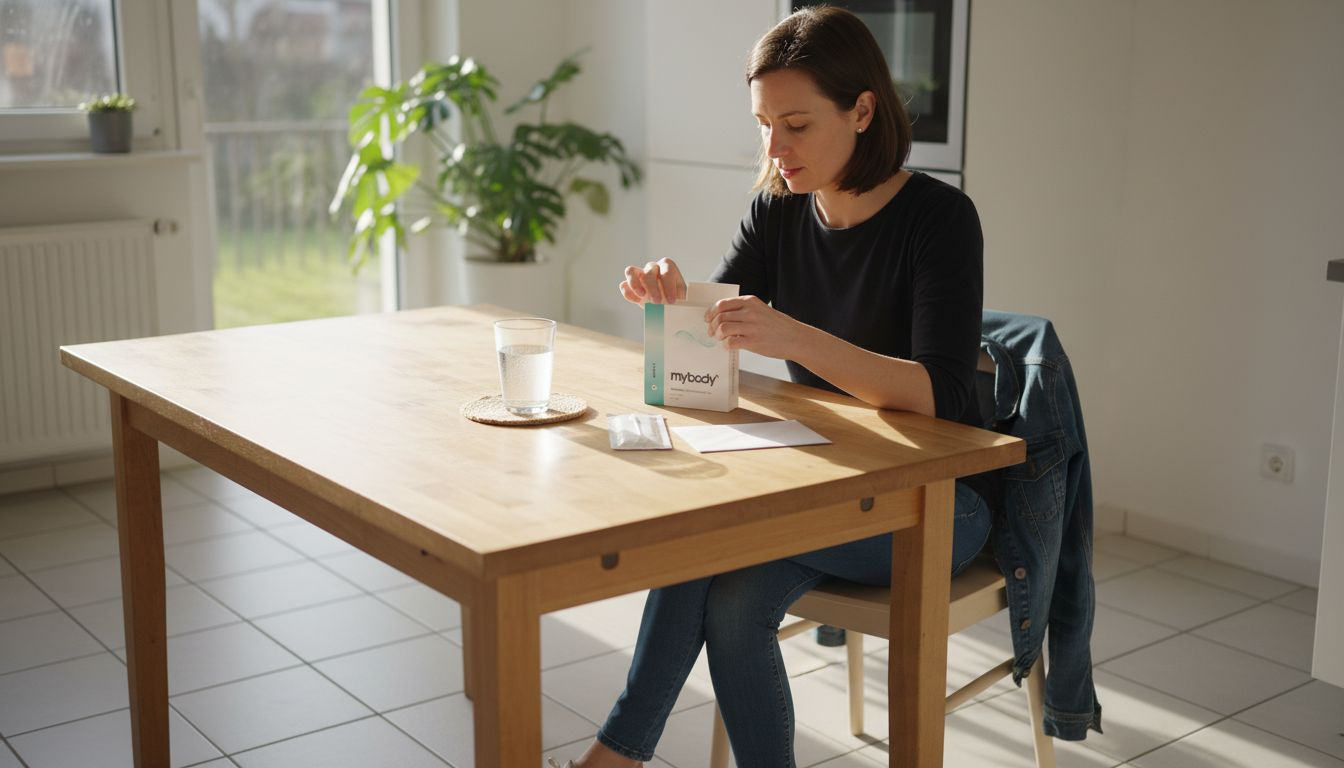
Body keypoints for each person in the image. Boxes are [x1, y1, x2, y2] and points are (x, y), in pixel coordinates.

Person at [550, 6, 994, 767]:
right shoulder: (779, 209)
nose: (774, 148)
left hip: (939, 501)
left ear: (861, 110)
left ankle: (614, 757)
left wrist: (794, 337)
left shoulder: (940, 219)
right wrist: (674, 294)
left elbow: (944, 395)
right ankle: (618, 758)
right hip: (829, 480)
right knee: (728, 599)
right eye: (762, 124)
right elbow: (719, 320)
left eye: (794, 124)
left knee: (708, 545)